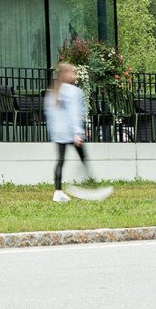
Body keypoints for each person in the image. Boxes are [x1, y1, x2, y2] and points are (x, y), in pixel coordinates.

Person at [45, 62, 113, 203]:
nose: (75, 75)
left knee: (60, 161)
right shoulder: (74, 92)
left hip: (59, 134)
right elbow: (74, 113)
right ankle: (93, 187)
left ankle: (58, 192)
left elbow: (49, 114)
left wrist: (55, 132)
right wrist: (78, 133)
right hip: (71, 133)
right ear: (66, 75)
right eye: (72, 73)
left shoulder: (53, 92)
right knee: (84, 159)